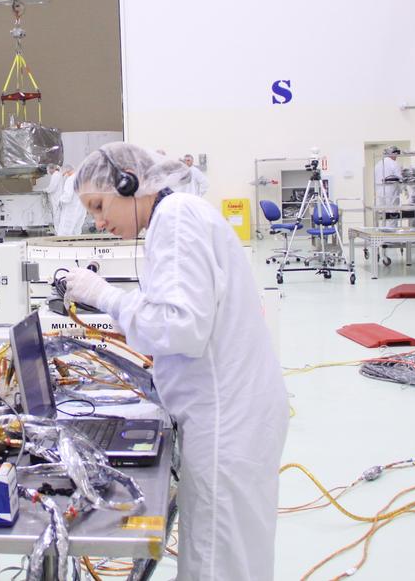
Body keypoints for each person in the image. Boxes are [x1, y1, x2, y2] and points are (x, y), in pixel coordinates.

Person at [62, 143, 287, 580]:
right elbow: (180, 317)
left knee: (216, 562)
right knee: (228, 555)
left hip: (226, 420)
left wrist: (103, 295)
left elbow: (181, 327)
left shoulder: (176, 218)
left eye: (99, 206)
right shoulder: (177, 217)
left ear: (128, 181)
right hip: (229, 411)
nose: (99, 221)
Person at [55, 165, 87, 236]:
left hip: (71, 209)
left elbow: (67, 196)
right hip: (81, 209)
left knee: (65, 231)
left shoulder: (70, 180)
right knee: (76, 230)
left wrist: (59, 200)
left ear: (66, 171)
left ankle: (63, 246)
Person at [373, 145, 404, 213]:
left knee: (383, 214)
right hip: (391, 192)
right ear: (392, 153)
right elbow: (399, 179)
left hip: (380, 192)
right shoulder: (394, 163)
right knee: (392, 214)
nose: (396, 156)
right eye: (396, 154)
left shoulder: (378, 164)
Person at [44, 164, 65, 232]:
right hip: (58, 197)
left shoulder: (55, 175)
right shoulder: (58, 174)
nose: (48, 171)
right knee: (58, 215)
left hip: (56, 198)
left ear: (52, 169)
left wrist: (45, 190)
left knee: (56, 215)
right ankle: (59, 231)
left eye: (48, 169)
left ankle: (58, 231)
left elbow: (52, 188)